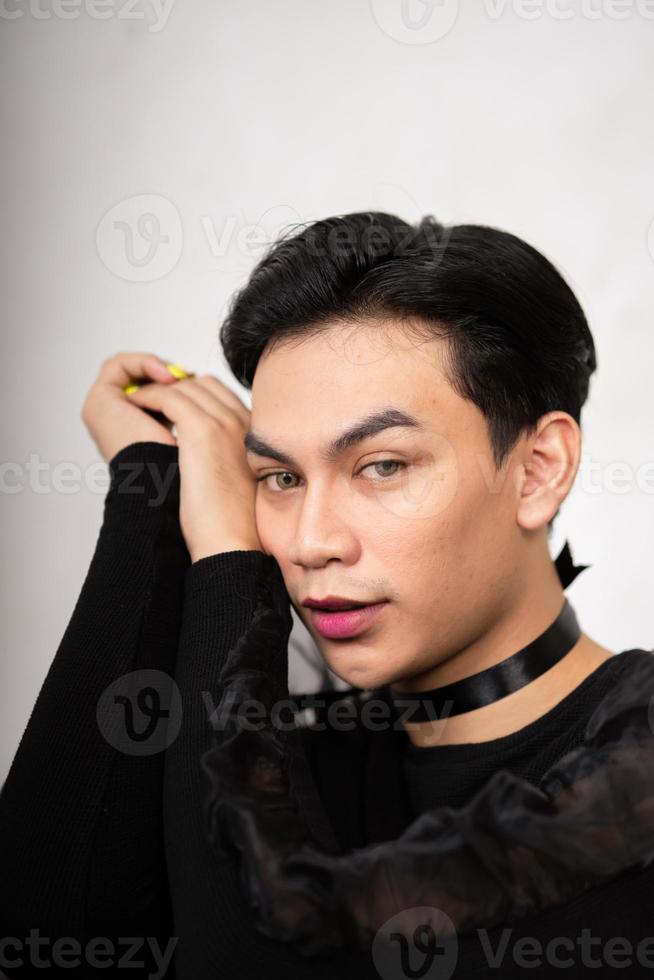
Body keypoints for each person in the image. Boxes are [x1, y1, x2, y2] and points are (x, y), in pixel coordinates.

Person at [1, 213, 653, 979]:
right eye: (278, 478)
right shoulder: (287, 752)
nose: (310, 542)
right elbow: (43, 945)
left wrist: (227, 567)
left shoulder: (630, 783)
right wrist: (154, 498)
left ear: (538, 469)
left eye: (381, 466)